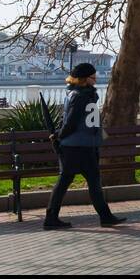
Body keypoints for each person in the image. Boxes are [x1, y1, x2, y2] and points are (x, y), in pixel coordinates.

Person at [44, 62, 127, 230]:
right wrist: (60, 136)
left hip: (81, 146)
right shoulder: (80, 96)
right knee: (87, 182)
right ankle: (104, 217)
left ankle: (54, 218)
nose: (96, 80)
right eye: (93, 77)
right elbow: (71, 121)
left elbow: (67, 119)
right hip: (79, 147)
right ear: (84, 79)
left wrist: (60, 136)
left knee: (80, 182)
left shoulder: (79, 95)